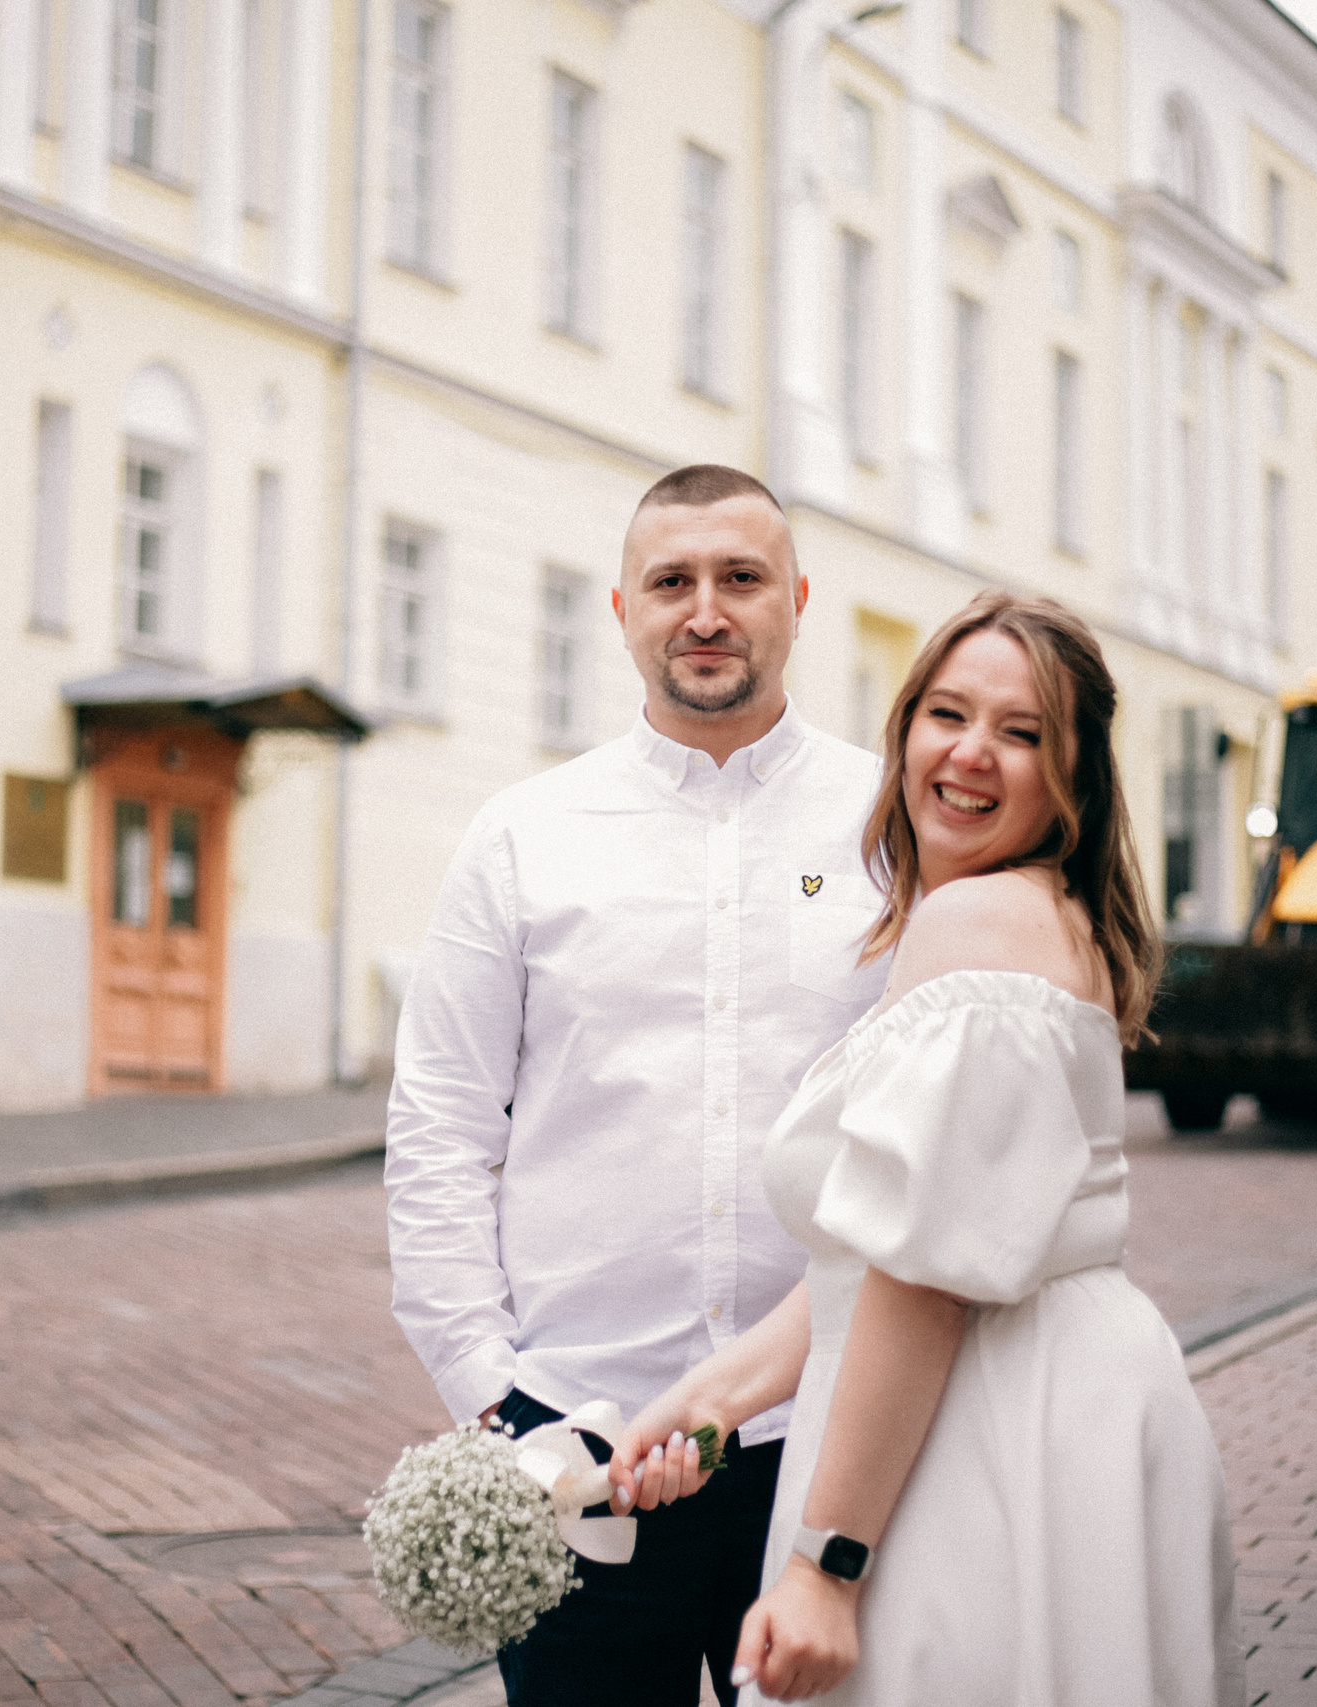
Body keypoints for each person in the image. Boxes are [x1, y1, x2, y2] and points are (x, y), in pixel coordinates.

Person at [610, 591, 1243, 1706]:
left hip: (992, 1424)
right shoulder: (1042, 916)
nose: (970, 753)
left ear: (1075, 778)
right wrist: (718, 1392)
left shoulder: (974, 927)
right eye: (947, 713)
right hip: (1076, 1406)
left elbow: (922, 1282)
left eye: (1022, 732)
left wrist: (826, 1567)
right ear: (902, 729)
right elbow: (895, 1242)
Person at [384, 466, 888, 1706]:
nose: (704, 611)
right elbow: (441, 1122)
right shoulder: (524, 834)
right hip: (580, 1444)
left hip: (821, 1447)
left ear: (798, 601)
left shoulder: (887, 826)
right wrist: (495, 1401)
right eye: (671, 582)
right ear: (621, 609)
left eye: (740, 578)